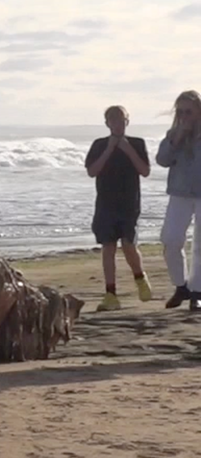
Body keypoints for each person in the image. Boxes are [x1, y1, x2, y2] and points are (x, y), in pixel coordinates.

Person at [84, 105, 153, 310]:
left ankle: (140, 277)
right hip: (106, 203)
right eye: (114, 121)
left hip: (129, 203)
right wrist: (109, 149)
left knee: (128, 244)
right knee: (108, 247)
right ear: (107, 123)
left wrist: (127, 149)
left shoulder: (137, 143)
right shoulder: (99, 144)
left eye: (122, 121)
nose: (118, 124)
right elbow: (92, 171)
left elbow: (145, 170)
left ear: (127, 122)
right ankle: (111, 293)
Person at [159, 89, 201, 310]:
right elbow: (162, 160)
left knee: (200, 246)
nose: (185, 116)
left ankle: (197, 291)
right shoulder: (173, 134)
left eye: (189, 111)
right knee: (171, 239)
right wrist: (178, 138)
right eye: (181, 111)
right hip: (179, 193)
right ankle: (181, 286)